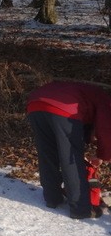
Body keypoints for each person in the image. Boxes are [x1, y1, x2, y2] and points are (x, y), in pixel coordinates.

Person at [26, 81, 111, 219]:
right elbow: (106, 129)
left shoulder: (86, 94)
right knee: (71, 159)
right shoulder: (104, 100)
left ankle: (52, 198)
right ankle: (81, 209)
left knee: (47, 154)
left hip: (35, 104)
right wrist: (103, 154)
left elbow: (90, 130)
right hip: (63, 108)